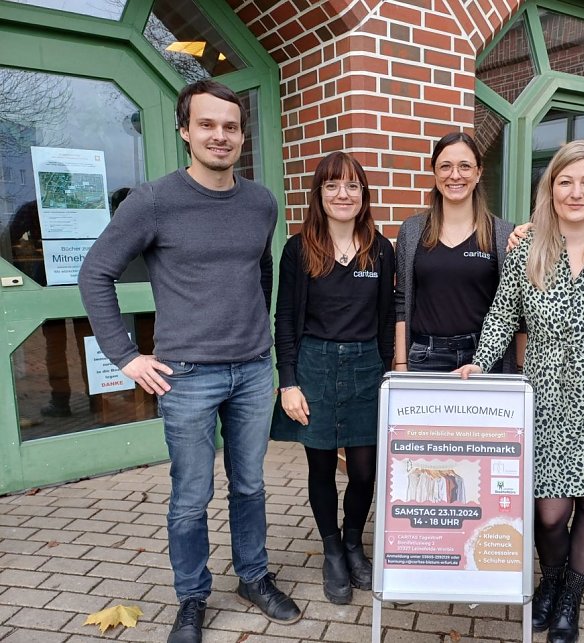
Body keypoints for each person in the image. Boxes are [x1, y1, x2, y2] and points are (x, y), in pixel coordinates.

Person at [78, 79, 300, 643]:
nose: (219, 136)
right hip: (187, 377)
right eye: (207, 125)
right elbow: (95, 273)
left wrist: (263, 340)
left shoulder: (261, 202)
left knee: (250, 486)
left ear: (242, 135)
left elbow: (261, 273)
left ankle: (253, 576)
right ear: (185, 131)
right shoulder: (153, 201)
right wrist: (125, 355)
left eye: (230, 126)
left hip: (252, 369)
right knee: (190, 496)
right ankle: (192, 598)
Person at [459, 140, 584, 643]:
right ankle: (553, 578)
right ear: (551, 188)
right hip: (541, 392)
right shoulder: (528, 247)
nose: (576, 191)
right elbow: (503, 313)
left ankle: (568, 596)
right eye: (566, 181)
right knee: (548, 509)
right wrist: (479, 362)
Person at [270, 151, 395, 604]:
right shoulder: (298, 249)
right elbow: (285, 321)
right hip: (315, 367)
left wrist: (388, 376)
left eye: (352, 186)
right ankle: (331, 552)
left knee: (364, 470)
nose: (343, 194)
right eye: (332, 186)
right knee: (321, 465)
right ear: (319, 194)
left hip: (367, 368)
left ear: (364, 195)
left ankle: (352, 542)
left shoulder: (381, 249)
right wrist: (288, 382)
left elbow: (385, 321)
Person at [394, 131, 520, 373]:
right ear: (434, 172)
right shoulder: (411, 231)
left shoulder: (504, 234)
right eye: (445, 166)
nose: (455, 175)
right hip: (425, 358)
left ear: (478, 172)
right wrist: (401, 363)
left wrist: (519, 368)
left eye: (465, 166)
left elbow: (515, 310)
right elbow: (401, 300)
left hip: (484, 357)